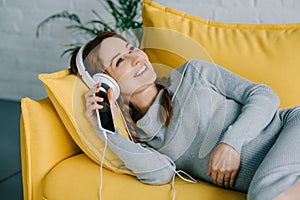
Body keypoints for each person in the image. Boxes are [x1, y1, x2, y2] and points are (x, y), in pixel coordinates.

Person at [70, 31, 300, 200]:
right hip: (287, 175)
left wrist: (231, 143)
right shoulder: (144, 140)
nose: (137, 58)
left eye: (131, 49)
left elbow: (264, 95)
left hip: (291, 126)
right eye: (120, 60)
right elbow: (160, 174)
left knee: (266, 195)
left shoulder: (193, 72)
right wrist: (105, 129)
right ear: (105, 84)